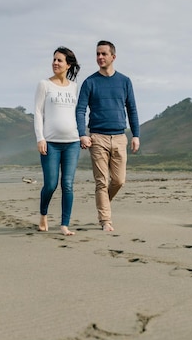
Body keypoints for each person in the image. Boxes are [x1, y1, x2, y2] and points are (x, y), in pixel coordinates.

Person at [76, 40, 140, 232]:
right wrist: (82, 134)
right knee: (101, 182)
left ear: (113, 56)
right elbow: (80, 110)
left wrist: (136, 135)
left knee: (119, 181)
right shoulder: (90, 82)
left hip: (120, 137)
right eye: (97, 54)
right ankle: (106, 220)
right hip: (97, 138)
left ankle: (103, 204)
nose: (100, 57)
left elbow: (132, 109)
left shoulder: (125, 81)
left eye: (104, 54)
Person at [34, 46, 81, 236]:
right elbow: (38, 113)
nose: (55, 63)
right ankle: (43, 214)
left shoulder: (75, 87)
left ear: (68, 65)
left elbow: (80, 113)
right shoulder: (44, 84)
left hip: (72, 142)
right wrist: (40, 138)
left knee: (68, 184)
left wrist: (84, 134)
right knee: (51, 184)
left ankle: (64, 225)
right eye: (54, 59)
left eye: (59, 60)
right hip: (51, 143)